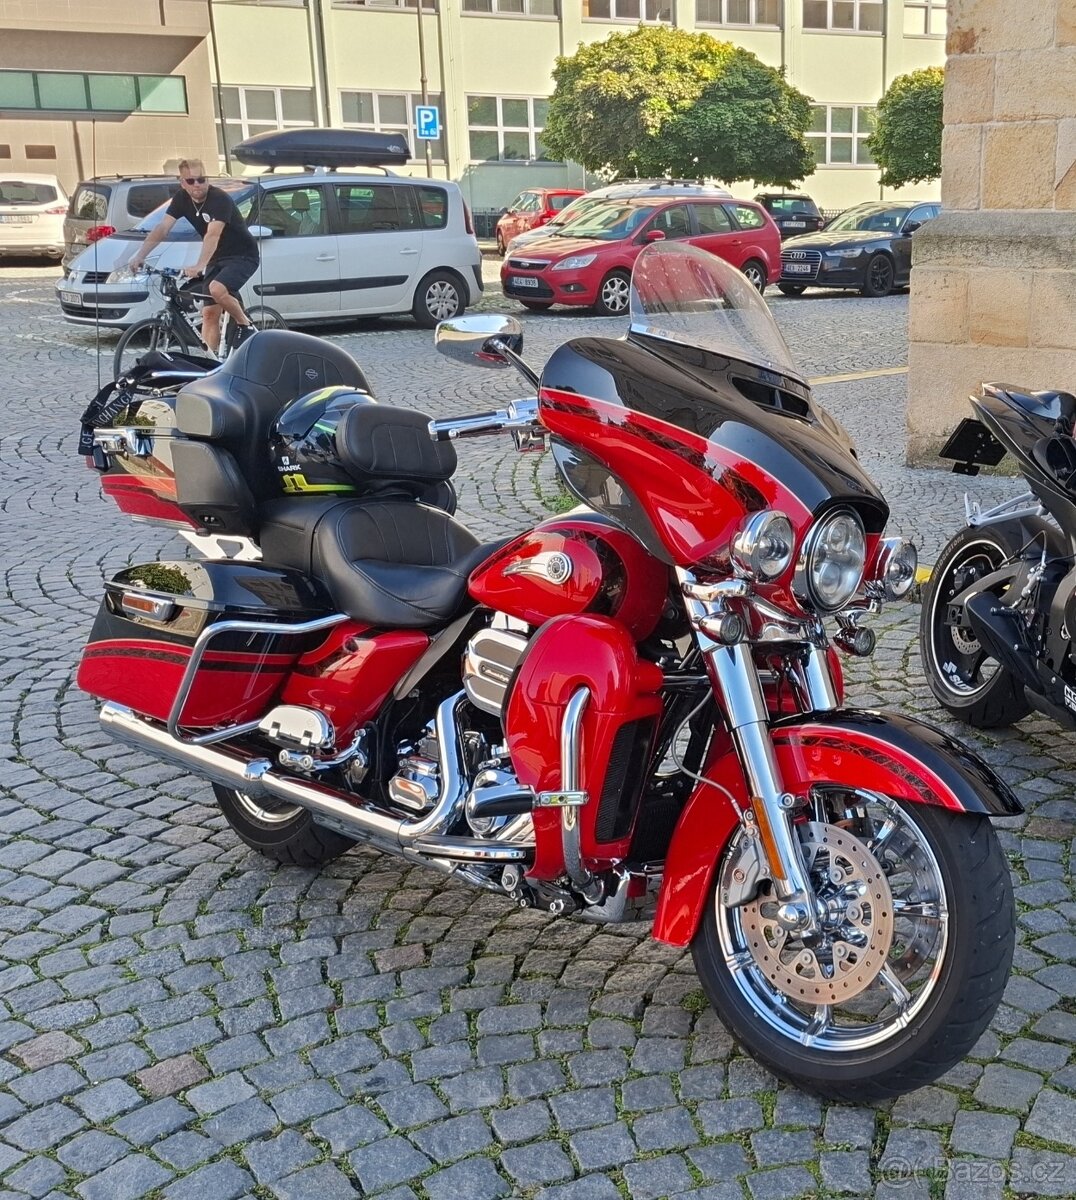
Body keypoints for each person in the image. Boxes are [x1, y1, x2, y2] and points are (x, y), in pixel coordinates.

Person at [129, 159, 259, 356]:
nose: (197, 184)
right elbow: (163, 228)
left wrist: (200, 265)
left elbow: (213, 234)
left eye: (201, 179)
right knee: (208, 314)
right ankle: (211, 363)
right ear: (182, 183)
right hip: (217, 257)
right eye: (191, 181)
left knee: (217, 289)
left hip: (242, 255)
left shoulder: (219, 199)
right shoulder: (181, 199)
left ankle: (245, 325)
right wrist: (139, 256)